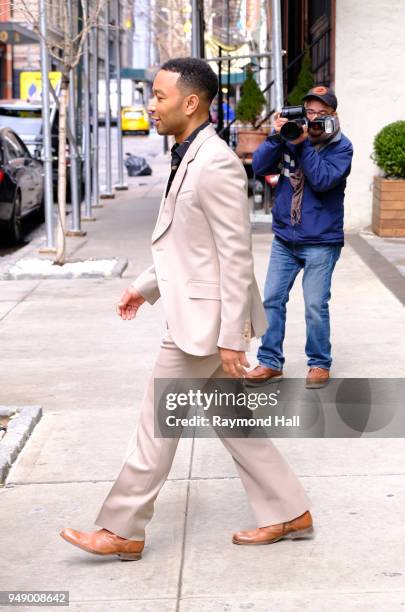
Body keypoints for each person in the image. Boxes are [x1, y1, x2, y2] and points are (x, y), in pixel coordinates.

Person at [60, 58, 313, 560]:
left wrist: (231, 336)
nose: (151, 105)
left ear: (190, 102)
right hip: (196, 314)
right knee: (235, 422)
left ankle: (123, 529)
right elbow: (188, 246)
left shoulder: (214, 161)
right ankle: (289, 511)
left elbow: (235, 254)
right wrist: (145, 288)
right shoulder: (189, 153)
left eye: (159, 96)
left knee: (156, 421)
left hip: (204, 325)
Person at [246, 86, 353, 389]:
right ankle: (269, 361)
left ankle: (319, 363)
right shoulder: (290, 138)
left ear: (333, 116)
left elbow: (321, 181)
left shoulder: (342, 148)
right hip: (285, 238)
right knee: (271, 300)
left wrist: (302, 144)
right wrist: (278, 136)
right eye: (309, 112)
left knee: (314, 305)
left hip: (321, 240)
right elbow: (260, 167)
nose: (314, 119)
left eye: (321, 113)